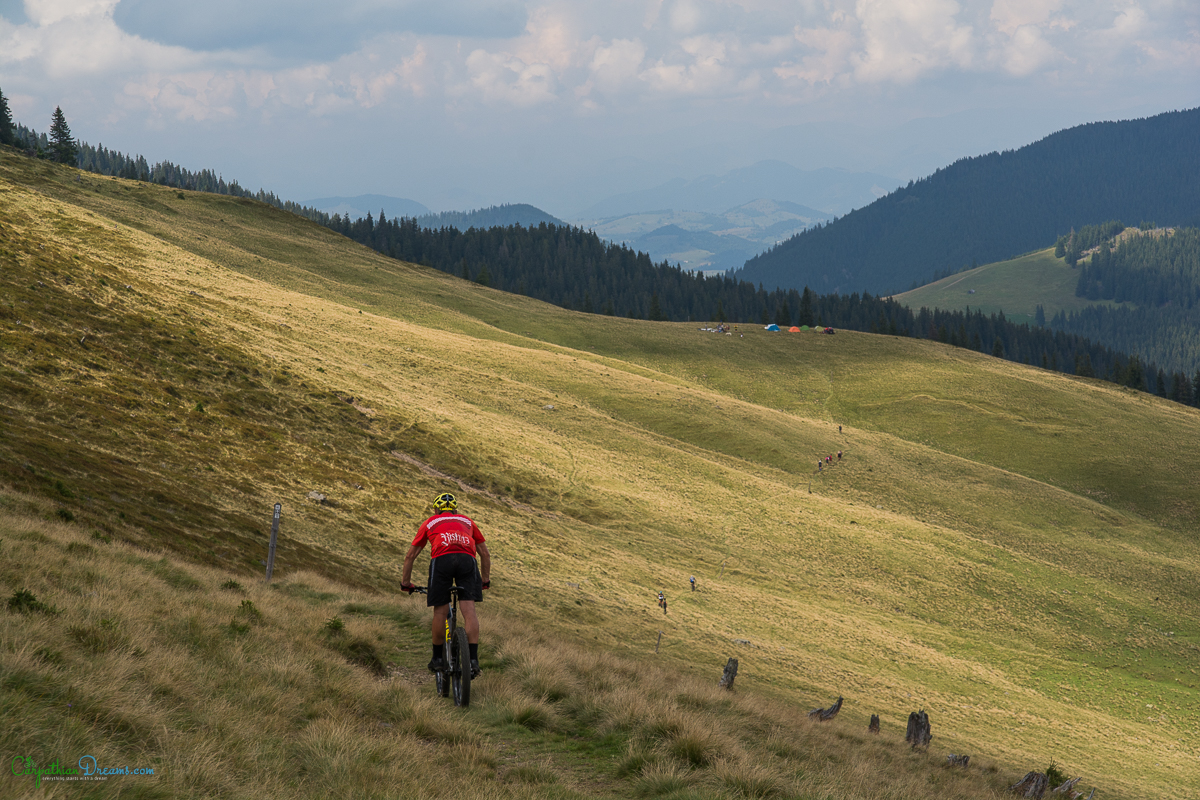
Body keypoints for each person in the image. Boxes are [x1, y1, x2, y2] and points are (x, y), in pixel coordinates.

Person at [401, 492, 491, 678]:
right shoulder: (467, 522)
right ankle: (473, 660)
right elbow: (484, 553)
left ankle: (437, 659)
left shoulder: (430, 522)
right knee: (470, 611)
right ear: (455, 509)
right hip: (467, 560)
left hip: (442, 560)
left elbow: (410, 556)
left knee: (440, 612)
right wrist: (484, 580)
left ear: (436, 509)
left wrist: (406, 583)